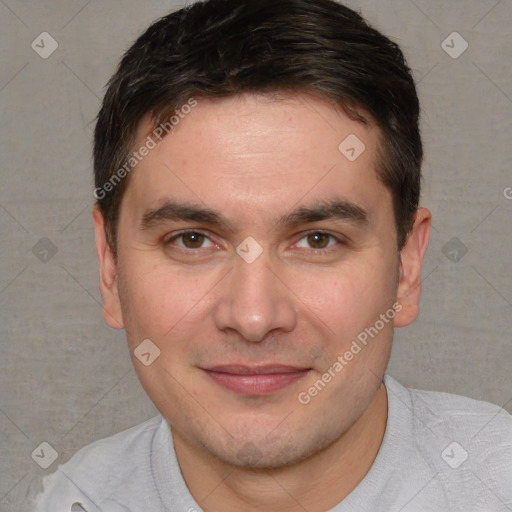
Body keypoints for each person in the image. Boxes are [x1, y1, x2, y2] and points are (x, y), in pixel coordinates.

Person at [35, 0, 512, 510]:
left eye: (317, 240)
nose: (254, 317)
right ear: (109, 268)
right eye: (192, 239)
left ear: (407, 268)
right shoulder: (72, 498)